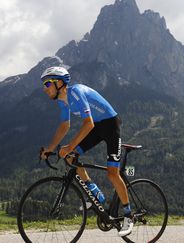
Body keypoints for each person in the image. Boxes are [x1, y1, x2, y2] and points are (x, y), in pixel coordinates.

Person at [40, 66, 133, 236]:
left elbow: (88, 123)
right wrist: (50, 149)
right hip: (97, 127)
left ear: (59, 83)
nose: (44, 89)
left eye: (47, 84)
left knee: (112, 173)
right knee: (71, 157)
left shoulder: (75, 93)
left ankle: (128, 215)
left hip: (111, 125)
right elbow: (64, 125)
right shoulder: (62, 101)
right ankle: (95, 193)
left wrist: (70, 146)